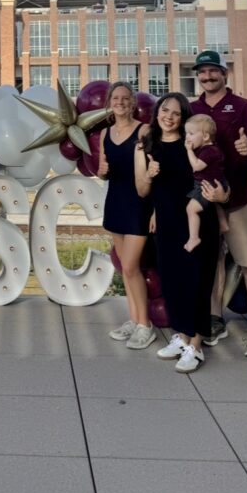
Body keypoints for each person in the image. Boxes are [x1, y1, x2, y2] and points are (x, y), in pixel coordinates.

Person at [190, 50, 247, 358]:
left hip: (239, 200)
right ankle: (215, 319)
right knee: (212, 263)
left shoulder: (243, 107)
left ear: (224, 74)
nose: (207, 76)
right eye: (202, 72)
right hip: (205, 202)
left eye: (213, 71)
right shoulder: (192, 109)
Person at [134, 92, 220, 373]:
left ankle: (196, 345)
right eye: (165, 110)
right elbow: (142, 191)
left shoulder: (192, 143)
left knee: (197, 282)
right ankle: (182, 337)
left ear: (183, 118)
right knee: (172, 281)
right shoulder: (147, 145)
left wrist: (221, 195)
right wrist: (150, 174)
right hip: (167, 223)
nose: (168, 117)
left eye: (176, 113)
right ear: (157, 111)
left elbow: (216, 177)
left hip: (197, 222)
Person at [98, 81, 155, 349]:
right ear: (109, 103)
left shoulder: (144, 130)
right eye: (116, 98)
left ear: (133, 103)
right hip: (115, 202)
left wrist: (156, 210)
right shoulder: (105, 133)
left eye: (125, 98)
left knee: (132, 266)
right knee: (124, 268)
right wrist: (101, 172)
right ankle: (134, 319)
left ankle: (145, 325)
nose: (120, 102)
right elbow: (104, 170)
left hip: (138, 204)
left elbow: (155, 172)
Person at [184, 113, 228, 252]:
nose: (187, 137)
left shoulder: (209, 151)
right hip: (214, 182)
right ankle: (223, 223)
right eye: (186, 133)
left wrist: (189, 151)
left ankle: (194, 238)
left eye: (191, 134)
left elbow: (197, 166)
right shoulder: (210, 149)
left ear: (205, 136)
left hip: (207, 185)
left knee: (191, 209)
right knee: (214, 204)